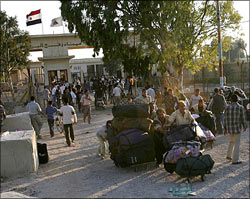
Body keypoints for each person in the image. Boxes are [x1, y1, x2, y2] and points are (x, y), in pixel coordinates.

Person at [224, 94, 247, 164]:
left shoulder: (227, 107)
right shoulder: (240, 107)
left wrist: (225, 128)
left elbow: (225, 119)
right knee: (237, 143)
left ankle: (229, 155)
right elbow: (243, 118)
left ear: (231, 100)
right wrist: (244, 126)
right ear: (237, 99)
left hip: (230, 128)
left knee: (231, 141)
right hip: (237, 128)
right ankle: (235, 160)